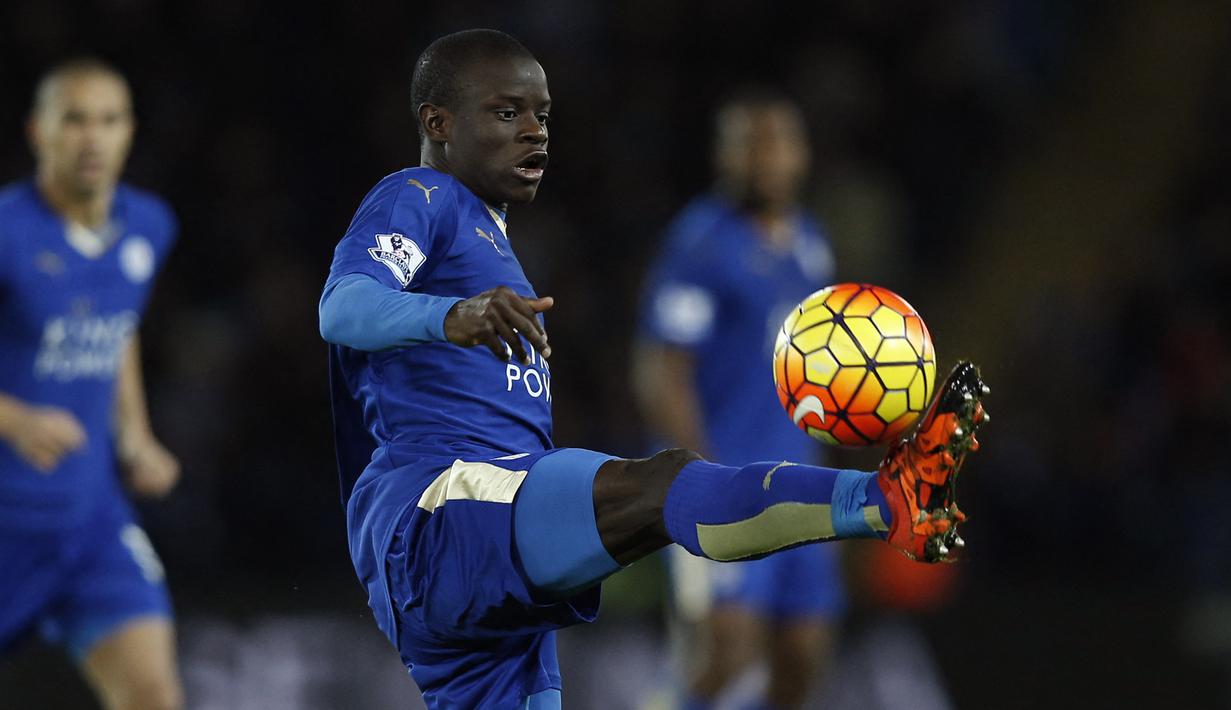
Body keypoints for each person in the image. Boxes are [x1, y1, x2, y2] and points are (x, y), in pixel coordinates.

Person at [319, 29, 988, 710]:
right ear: (438, 121)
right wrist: (447, 316)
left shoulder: (493, 242)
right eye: (505, 113)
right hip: (441, 512)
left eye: (541, 115)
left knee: (791, 658)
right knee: (659, 493)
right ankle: (885, 499)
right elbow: (342, 305)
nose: (533, 133)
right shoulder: (420, 196)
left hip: (483, 547)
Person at [633, 90, 843, 710]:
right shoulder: (702, 244)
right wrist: (704, 478)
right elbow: (660, 370)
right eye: (751, 143)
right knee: (725, 654)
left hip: (801, 481)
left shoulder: (809, 242)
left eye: (778, 142)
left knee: (803, 656)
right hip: (727, 481)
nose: (766, 158)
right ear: (724, 156)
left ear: (802, 154)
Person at [0, 59, 183, 710]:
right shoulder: (7, 232)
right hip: (5, 520)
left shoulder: (148, 226)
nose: (92, 138)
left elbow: (117, 327)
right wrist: (15, 419)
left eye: (108, 120)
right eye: (73, 120)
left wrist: (134, 435)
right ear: (38, 132)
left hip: (89, 521)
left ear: (129, 131)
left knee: (153, 697)